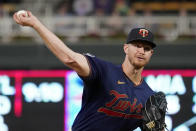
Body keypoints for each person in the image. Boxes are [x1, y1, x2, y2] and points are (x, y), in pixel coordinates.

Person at [13, 11, 156, 131]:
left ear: (151, 54)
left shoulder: (149, 98)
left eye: (147, 48)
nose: (141, 51)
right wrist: (36, 24)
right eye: (137, 45)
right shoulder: (104, 71)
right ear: (126, 48)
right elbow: (70, 58)